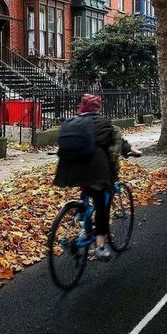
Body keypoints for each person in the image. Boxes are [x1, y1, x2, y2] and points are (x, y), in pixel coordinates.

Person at [54, 94, 141, 261]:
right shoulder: (103, 123)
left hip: (69, 171)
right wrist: (131, 150)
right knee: (101, 207)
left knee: (86, 190)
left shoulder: (72, 123)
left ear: (82, 107)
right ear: (97, 107)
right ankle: (100, 246)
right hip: (95, 172)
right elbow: (116, 142)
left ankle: (81, 219)